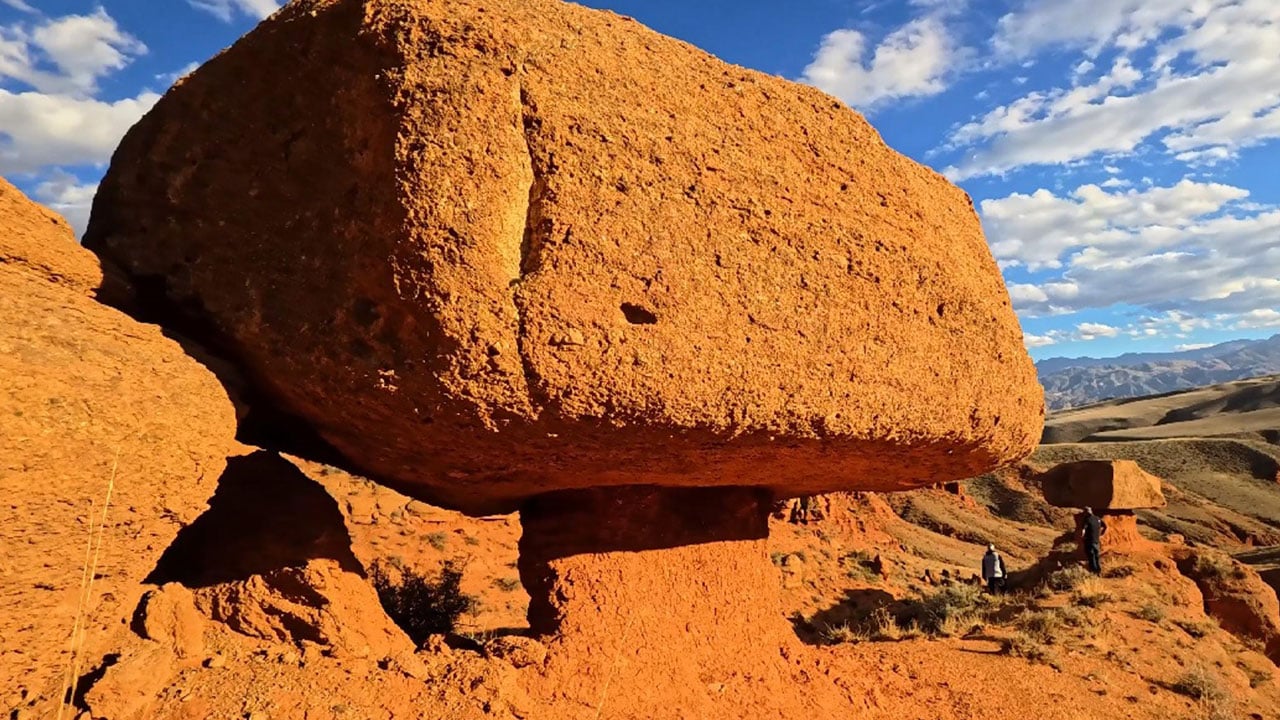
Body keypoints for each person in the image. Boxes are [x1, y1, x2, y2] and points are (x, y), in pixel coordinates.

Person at [1081, 506, 1108, 574]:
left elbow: (1083, 529)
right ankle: (1098, 570)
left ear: (1086, 512)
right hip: (1096, 540)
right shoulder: (1097, 518)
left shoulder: (1087, 519)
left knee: (1091, 555)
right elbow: (1105, 526)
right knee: (1096, 555)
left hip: (1089, 541)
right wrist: (1102, 533)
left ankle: (1093, 570)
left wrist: (1082, 536)